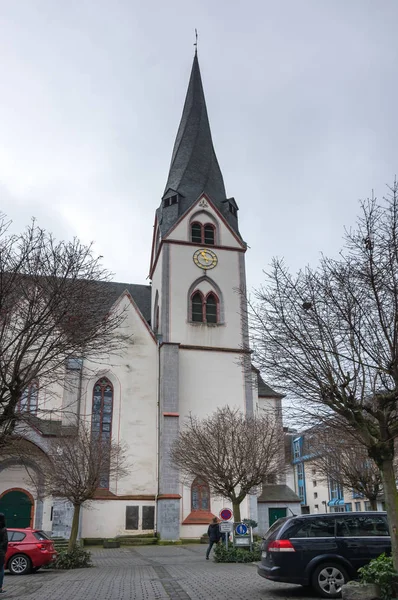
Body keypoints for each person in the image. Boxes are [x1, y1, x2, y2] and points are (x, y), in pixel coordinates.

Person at [0, 513, 8, 594]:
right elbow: (5, 542)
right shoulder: (3, 529)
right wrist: (3, 551)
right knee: (1, 570)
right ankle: (0, 587)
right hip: (0, 553)